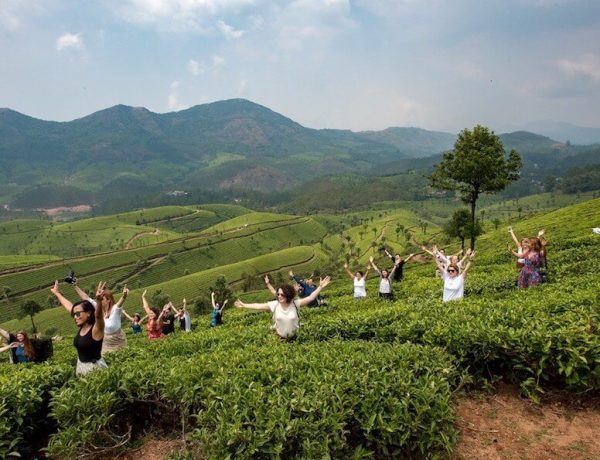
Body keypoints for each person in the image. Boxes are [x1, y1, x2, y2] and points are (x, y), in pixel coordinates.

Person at [235, 276, 331, 340]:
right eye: (278, 294)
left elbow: (310, 297)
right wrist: (244, 305)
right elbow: (258, 305)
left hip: (295, 338)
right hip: (279, 339)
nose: (279, 296)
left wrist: (320, 287)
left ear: (288, 295)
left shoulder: (295, 304)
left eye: (282, 294)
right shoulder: (275, 304)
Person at [51, 280, 107, 375]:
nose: (75, 317)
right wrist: (57, 293)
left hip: (94, 369)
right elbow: (69, 307)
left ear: (88, 313)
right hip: (81, 366)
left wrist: (98, 301)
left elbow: (98, 316)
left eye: (78, 314)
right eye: (74, 314)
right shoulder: (83, 327)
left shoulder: (96, 329)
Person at [73, 281, 129, 354]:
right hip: (105, 342)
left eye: (102, 299)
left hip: (118, 340)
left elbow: (119, 303)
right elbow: (86, 298)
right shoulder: (98, 308)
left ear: (108, 300)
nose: (100, 300)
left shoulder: (115, 309)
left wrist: (124, 296)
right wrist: (75, 286)